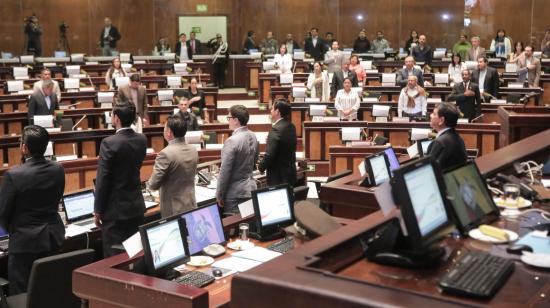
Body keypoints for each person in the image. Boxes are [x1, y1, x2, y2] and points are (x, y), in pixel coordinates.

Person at [0, 125, 65, 295]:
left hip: (24, 244)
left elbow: (2, 212)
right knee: (48, 291)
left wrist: (14, 229)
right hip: (52, 238)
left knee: (22, 295)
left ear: (24, 147)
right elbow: (57, 197)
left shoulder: (14, 176)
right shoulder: (58, 169)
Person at [94, 101, 147, 257]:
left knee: (114, 257)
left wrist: (98, 210)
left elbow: (102, 180)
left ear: (116, 118)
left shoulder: (109, 143)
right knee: (135, 253)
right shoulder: (141, 139)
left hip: (115, 211)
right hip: (136, 206)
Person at [148, 114, 198, 217]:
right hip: (191, 204)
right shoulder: (193, 150)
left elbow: (153, 184)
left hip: (174, 209)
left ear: (169, 132)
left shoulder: (165, 154)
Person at [216, 105, 259, 215]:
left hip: (235, 194)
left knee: (234, 228)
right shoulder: (253, 136)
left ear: (236, 120)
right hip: (250, 189)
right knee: (247, 223)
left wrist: (219, 195)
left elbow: (225, 171)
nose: (228, 121)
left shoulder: (232, 141)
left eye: (229, 118)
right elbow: (254, 162)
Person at [258, 100, 297, 187]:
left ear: (277, 111)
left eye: (272, 109)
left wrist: (260, 167)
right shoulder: (291, 126)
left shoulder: (276, 129)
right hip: (290, 173)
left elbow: (269, 154)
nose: (270, 111)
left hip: (278, 177)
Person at [427, 102, 468, 170]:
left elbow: (429, 170)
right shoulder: (458, 138)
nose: (431, 115)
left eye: (434, 114)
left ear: (441, 120)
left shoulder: (440, 142)